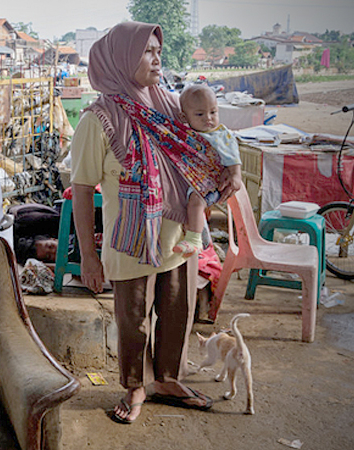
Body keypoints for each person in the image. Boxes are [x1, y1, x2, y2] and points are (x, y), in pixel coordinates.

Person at [70, 22, 235, 425]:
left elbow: (205, 150)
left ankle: (167, 379)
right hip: (132, 242)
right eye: (146, 51)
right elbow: (81, 189)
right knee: (134, 320)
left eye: (158, 49)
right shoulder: (99, 120)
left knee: (179, 312)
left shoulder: (170, 106)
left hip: (179, 239)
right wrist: (89, 259)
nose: (157, 58)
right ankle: (136, 386)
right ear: (122, 58)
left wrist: (224, 176)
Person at [172, 84, 243, 258]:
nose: (208, 119)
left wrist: (235, 175)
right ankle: (201, 240)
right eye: (200, 114)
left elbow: (232, 156)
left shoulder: (219, 135)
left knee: (196, 202)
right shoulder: (187, 134)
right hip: (194, 183)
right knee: (190, 204)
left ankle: (194, 240)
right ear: (184, 116)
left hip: (213, 184)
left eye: (213, 112)